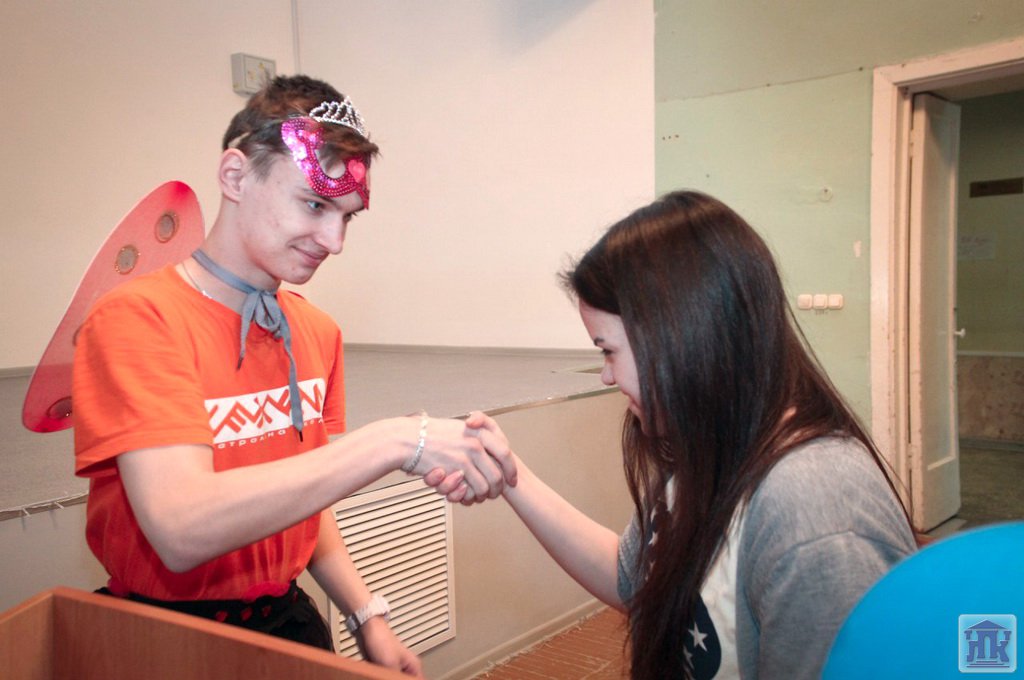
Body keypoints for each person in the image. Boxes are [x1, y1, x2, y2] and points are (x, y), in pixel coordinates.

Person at [72, 74, 514, 676]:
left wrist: (367, 616)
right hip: (163, 638)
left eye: (348, 218)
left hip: (287, 622)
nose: (334, 240)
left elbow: (303, 498)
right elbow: (180, 528)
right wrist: (394, 440)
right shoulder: (138, 320)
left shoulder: (314, 332)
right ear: (235, 177)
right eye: (314, 204)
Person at [434, 191, 917, 679]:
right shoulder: (711, 450)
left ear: (680, 338)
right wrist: (511, 477)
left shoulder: (814, 506)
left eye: (608, 350)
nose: (606, 375)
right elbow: (632, 579)